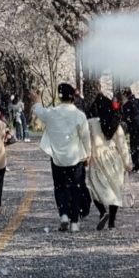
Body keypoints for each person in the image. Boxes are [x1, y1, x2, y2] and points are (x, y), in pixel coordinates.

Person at [31, 84, 91, 232]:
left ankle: (63, 215)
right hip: (75, 157)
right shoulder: (79, 115)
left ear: (59, 96)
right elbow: (85, 137)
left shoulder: (51, 113)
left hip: (57, 157)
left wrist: (37, 99)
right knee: (76, 189)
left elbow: (38, 110)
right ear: (73, 97)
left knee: (60, 187)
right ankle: (75, 222)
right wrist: (88, 154)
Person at [86, 95, 131, 231]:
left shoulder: (91, 123)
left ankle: (102, 211)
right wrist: (126, 163)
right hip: (114, 158)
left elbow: (87, 141)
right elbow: (122, 145)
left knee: (96, 188)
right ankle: (111, 222)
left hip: (98, 158)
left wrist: (86, 156)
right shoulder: (115, 122)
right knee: (115, 189)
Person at [121, 88, 139, 172]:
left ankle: (136, 166)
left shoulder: (126, 106)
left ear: (125, 95)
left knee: (134, 148)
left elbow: (127, 118)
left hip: (133, 128)